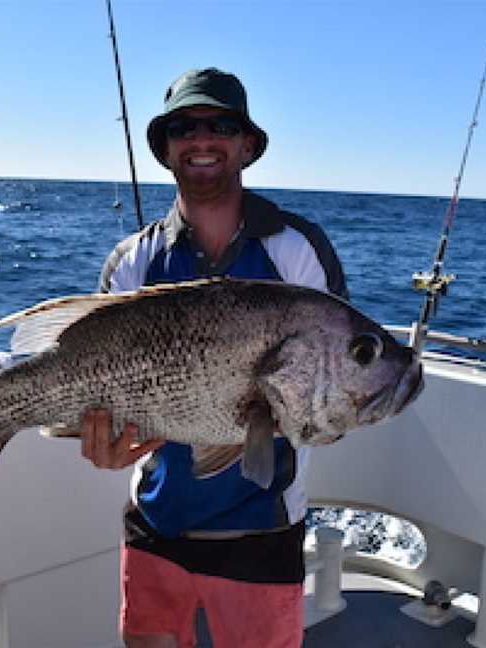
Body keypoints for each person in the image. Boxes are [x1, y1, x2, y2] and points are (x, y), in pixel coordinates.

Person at [82, 68, 347, 648]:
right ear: (166, 149)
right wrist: (104, 447)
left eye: (222, 125)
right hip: (155, 522)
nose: (202, 139)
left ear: (248, 145)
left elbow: (332, 386)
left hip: (262, 529)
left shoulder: (298, 250)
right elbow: (92, 383)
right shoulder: (131, 262)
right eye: (184, 127)